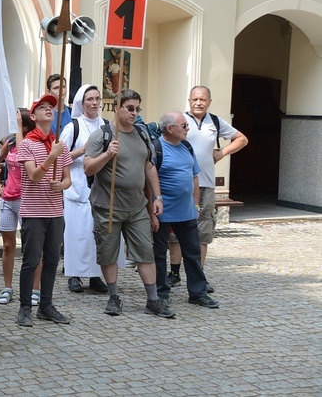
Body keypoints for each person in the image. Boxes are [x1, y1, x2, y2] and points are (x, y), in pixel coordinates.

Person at [83, 89, 174, 318]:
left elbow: (149, 166)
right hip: (108, 206)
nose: (134, 113)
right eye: (130, 108)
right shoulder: (101, 136)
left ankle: (152, 300)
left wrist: (157, 197)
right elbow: (87, 167)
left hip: (137, 207)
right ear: (117, 108)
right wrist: (107, 155)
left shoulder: (142, 135)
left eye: (137, 109)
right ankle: (113, 297)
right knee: (108, 253)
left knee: (146, 252)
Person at [169, 86, 249, 291]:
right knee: (176, 231)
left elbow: (241, 139)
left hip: (206, 185)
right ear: (189, 100)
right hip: (181, 185)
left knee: (203, 230)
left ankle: (199, 275)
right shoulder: (180, 121)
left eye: (203, 99)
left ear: (209, 101)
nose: (198, 103)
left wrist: (222, 152)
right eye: (195, 99)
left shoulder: (215, 122)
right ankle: (175, 272)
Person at [15, 94, 73, 327]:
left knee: (51, 260)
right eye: (43, 107)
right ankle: (25, 307)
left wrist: (62, 185)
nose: (48, 110)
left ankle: (46, 306)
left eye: (51, 107)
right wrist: (51, 157)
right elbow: (33, 176)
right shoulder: (27, 143)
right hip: (33, 212)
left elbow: (68, 179)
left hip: (55, 212)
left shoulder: (60, 144)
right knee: (31, 261)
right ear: (34, 115)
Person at [153, 112, 219, 309]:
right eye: (184, 125)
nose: (187, 128)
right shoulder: (156, 148)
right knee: (158, 255)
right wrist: (152, 207)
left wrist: (196, 204)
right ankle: (161, 293)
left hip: (187, 212)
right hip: (163, 213)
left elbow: (194, 177)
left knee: (193, 253)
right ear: (170, 129)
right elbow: (148, 180)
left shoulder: (187, 147)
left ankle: (198, 293)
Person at [59, 85, 110, 294]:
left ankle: (95, 274)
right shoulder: (73, 127)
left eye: (97, 98)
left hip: (101, 184)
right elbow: (59, 157)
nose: (95, 103)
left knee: (96, 232)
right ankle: (74, 274)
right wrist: (84, 149)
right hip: (78, 183)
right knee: (76, 232)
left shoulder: (106, 125)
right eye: (90, 99)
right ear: (82, 102)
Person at [0, 108, 42, 305]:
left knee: (33, 247)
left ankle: (35, 289)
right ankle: (7, 287)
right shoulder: (10, 142)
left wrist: (20, 128)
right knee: (7, 246)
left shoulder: (32, 143)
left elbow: (23, 155)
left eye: (16, 121)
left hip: (28, 199)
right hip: (8, 198)